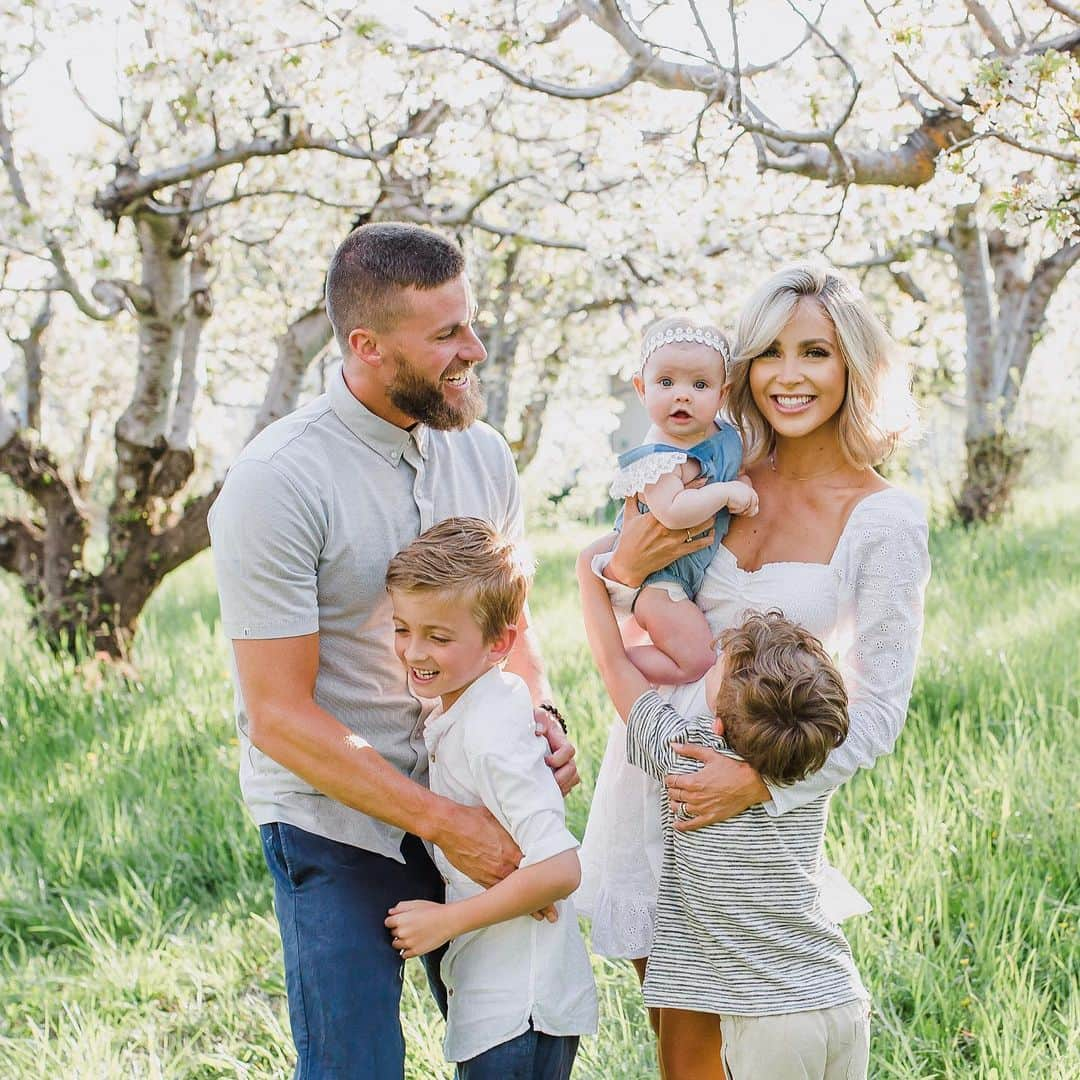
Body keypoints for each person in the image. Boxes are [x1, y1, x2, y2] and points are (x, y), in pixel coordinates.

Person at [207, 222, 577, 1079]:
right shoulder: (277, 482)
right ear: (368, 346)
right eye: (447, 334)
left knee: (520, 1053)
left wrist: (541, 712)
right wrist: (446, 824)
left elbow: (510, 632)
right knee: (356, 1068)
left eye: (469, 323)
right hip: (334, 821)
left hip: (478, 796)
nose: (474, 349)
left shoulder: (484, 456)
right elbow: (276, 716)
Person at [576, 264, 931, 1078]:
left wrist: (759, 784)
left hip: (757, 809)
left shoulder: (884, 520)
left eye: (816, 352)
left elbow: (879, 709)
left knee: (769, 1035)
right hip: (650, 767)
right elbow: (629, 591)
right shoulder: (705, 476)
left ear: (854, 366)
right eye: (770, 353)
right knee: (684, 1054)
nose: (790, 375)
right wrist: (617, 575)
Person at [577, 590, 870, 1080]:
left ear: (716, 720)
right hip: (840, 997)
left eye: (719, 664)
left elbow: (615, 669)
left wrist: (590, 579)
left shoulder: (689, 757)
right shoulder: (807, 766)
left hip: (771, 1022)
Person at [383, 517, 598, 1080]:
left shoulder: (491, 727)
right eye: (402, 628)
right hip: (497, 990)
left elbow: (559, 866)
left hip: (519, 1003)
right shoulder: (466, 706)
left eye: (439, 636)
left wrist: (447, 922)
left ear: (500, 642)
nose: (413, 651)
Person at [609, 317, 758, 685]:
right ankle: (618, 660)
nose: (682, 394)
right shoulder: (657, 457)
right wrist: (725, 493)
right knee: (697, 661)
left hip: (687, 578)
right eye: (666, 382)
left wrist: (742, 482)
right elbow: (674, 513)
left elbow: (733, 470)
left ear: (722, 395)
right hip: (659, 581)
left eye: (700, 384)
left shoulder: (727, 437)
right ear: (641, 389)